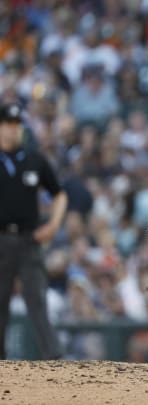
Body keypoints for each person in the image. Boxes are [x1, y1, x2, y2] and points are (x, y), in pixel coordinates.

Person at [0, 102, 66, 360]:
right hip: (1, 240)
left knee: (37, 301)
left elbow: (59, 194)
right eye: (6, 124)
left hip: (29, 240)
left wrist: (53, 225)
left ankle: (54, 358)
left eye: (16, 125)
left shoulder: (34, 159)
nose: (11, 130)